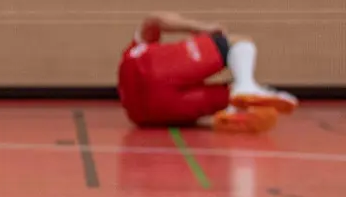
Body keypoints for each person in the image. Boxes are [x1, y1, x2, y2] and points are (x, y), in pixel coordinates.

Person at [116, 11, 299, 132]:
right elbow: (153, 19)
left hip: (146, 115)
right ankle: (245, 86)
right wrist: (201, 28)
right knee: (238, 41)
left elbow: (152, 23)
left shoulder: (135, 111)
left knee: (235, 97)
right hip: (154, 71)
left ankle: (239, 100)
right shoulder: (134, 51)